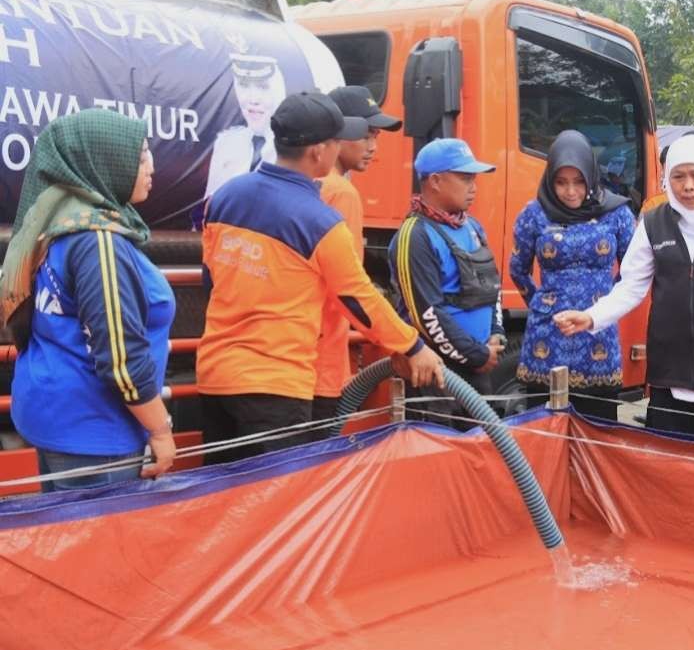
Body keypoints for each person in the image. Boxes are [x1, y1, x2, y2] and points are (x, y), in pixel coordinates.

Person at [198, 92, 442, 461]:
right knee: (281, 506)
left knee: (223, 502)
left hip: (216, 376)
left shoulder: (227, 196)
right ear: (319, 152)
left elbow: (210, 279)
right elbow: (357, 297)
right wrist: (412, 346)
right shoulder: (318, 220)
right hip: (276, 386)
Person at [553, 134, 694, 440]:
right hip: (670, 376)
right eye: (678, 176)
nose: (688, 186)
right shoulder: (654, 223)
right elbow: (630, 286)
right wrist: (592, 317)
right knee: (669, 470)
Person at [1, 109, 175, 490]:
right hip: (97, 432)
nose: (152, 166)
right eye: (141, 154)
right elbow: (120, 355)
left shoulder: (59, 223)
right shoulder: (98, 240)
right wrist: (160, 429)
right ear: (105, 159)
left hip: (56, 415)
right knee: (103, 546)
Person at [509, 130, 635, 420]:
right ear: (550, 180)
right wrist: (543, 304)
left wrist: (607, 304)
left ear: (591, 177)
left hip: (598, 332)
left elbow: (633, 271)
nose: (570, 191)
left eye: (579, 182)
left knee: (597, 430)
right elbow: (518, 268)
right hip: (548, 335)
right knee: (544, 428)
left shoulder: (616, 213)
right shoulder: (534, 214)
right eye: (561, 182)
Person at [389, 138, 504, 427]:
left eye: (474, 178)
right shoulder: (414, 236)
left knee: (482, 454)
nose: (474, 186)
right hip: (436, 372)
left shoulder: (473, 227)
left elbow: (492, 289)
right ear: (436, 181)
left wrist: (497, 336)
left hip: (479, 366)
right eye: (465, 178)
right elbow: (426, 313)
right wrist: (476, 355)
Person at [311, 86, 404, 425]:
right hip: (318, 364)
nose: (373, 147)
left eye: (375, 136)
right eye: (366, 136)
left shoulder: (306, 184)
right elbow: (350, 287)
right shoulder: (341, 192)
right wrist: (408, 345)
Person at [192, 49, 287, 229]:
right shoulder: (226, 143)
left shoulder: (290, 149)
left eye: (263, 87)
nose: (252, 99)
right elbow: (207, 208)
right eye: (244, 85)